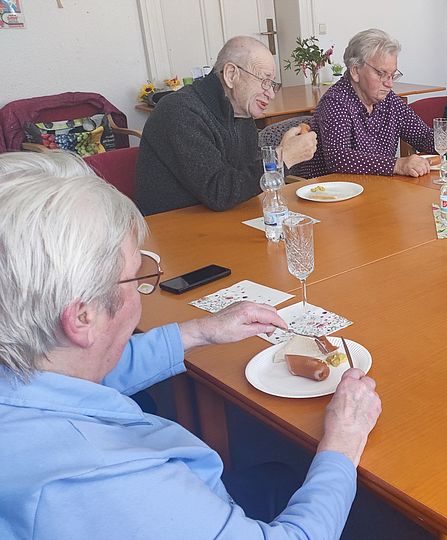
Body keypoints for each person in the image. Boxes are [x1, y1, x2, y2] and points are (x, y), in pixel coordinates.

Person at [0, 151, 382, 539]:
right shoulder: (101, 479)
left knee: (277, 477)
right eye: (136, 277)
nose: (143, 290)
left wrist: (200, 332)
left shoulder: (29, 368)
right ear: (83, 318)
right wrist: (342, 443)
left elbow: (77, 370)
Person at [136, 36, 318, 215]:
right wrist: (282, 157)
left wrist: (278, 156)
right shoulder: (180, 111)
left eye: (272, 84)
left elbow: (246, 180)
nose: (270, 94)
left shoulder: (240, 111)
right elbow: (218, 192)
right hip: (171, 229)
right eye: (264, 81)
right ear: (231, 74)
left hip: (225, 220)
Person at [294, 29, 447, 179]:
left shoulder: (389, 100)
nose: (389, 83)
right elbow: (339, 159)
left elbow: (421, 135)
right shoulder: (336, 102)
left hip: (373, 189)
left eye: (392, 75)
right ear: (355, 71)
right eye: (381, 74)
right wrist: (397, 165)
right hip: (327, 196)